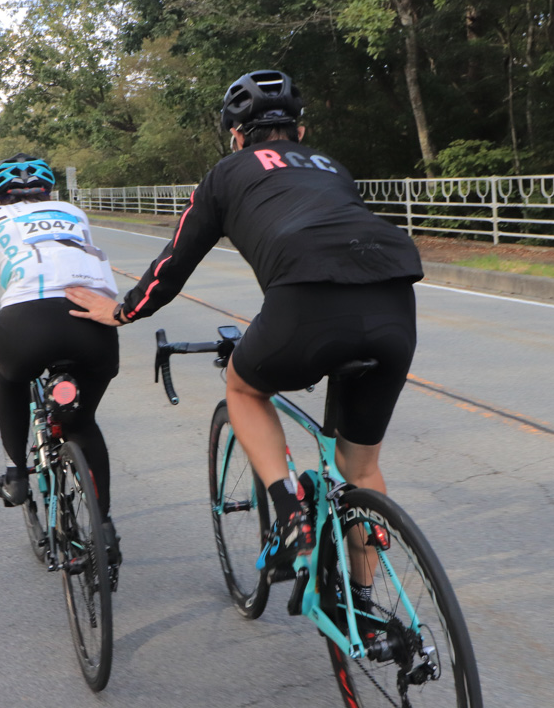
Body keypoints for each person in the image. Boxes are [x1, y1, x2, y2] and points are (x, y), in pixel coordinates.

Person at [67, 70, 422, 573]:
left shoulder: (228, 173)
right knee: (361, 468)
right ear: (301, 131)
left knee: (244, 387)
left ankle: (289, 510)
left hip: (306, 301)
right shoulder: (332, 167)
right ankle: (367, 613)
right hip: (395, 302)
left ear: (236, 136)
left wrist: (124, 310)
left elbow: (173, 264)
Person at [0, 154, 122, 563]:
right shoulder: (73, 211)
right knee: (81, 421)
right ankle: (103, 528)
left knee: (12, 378)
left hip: (25, 322)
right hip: (94, 321)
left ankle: (16, 474)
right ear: (49, 190)